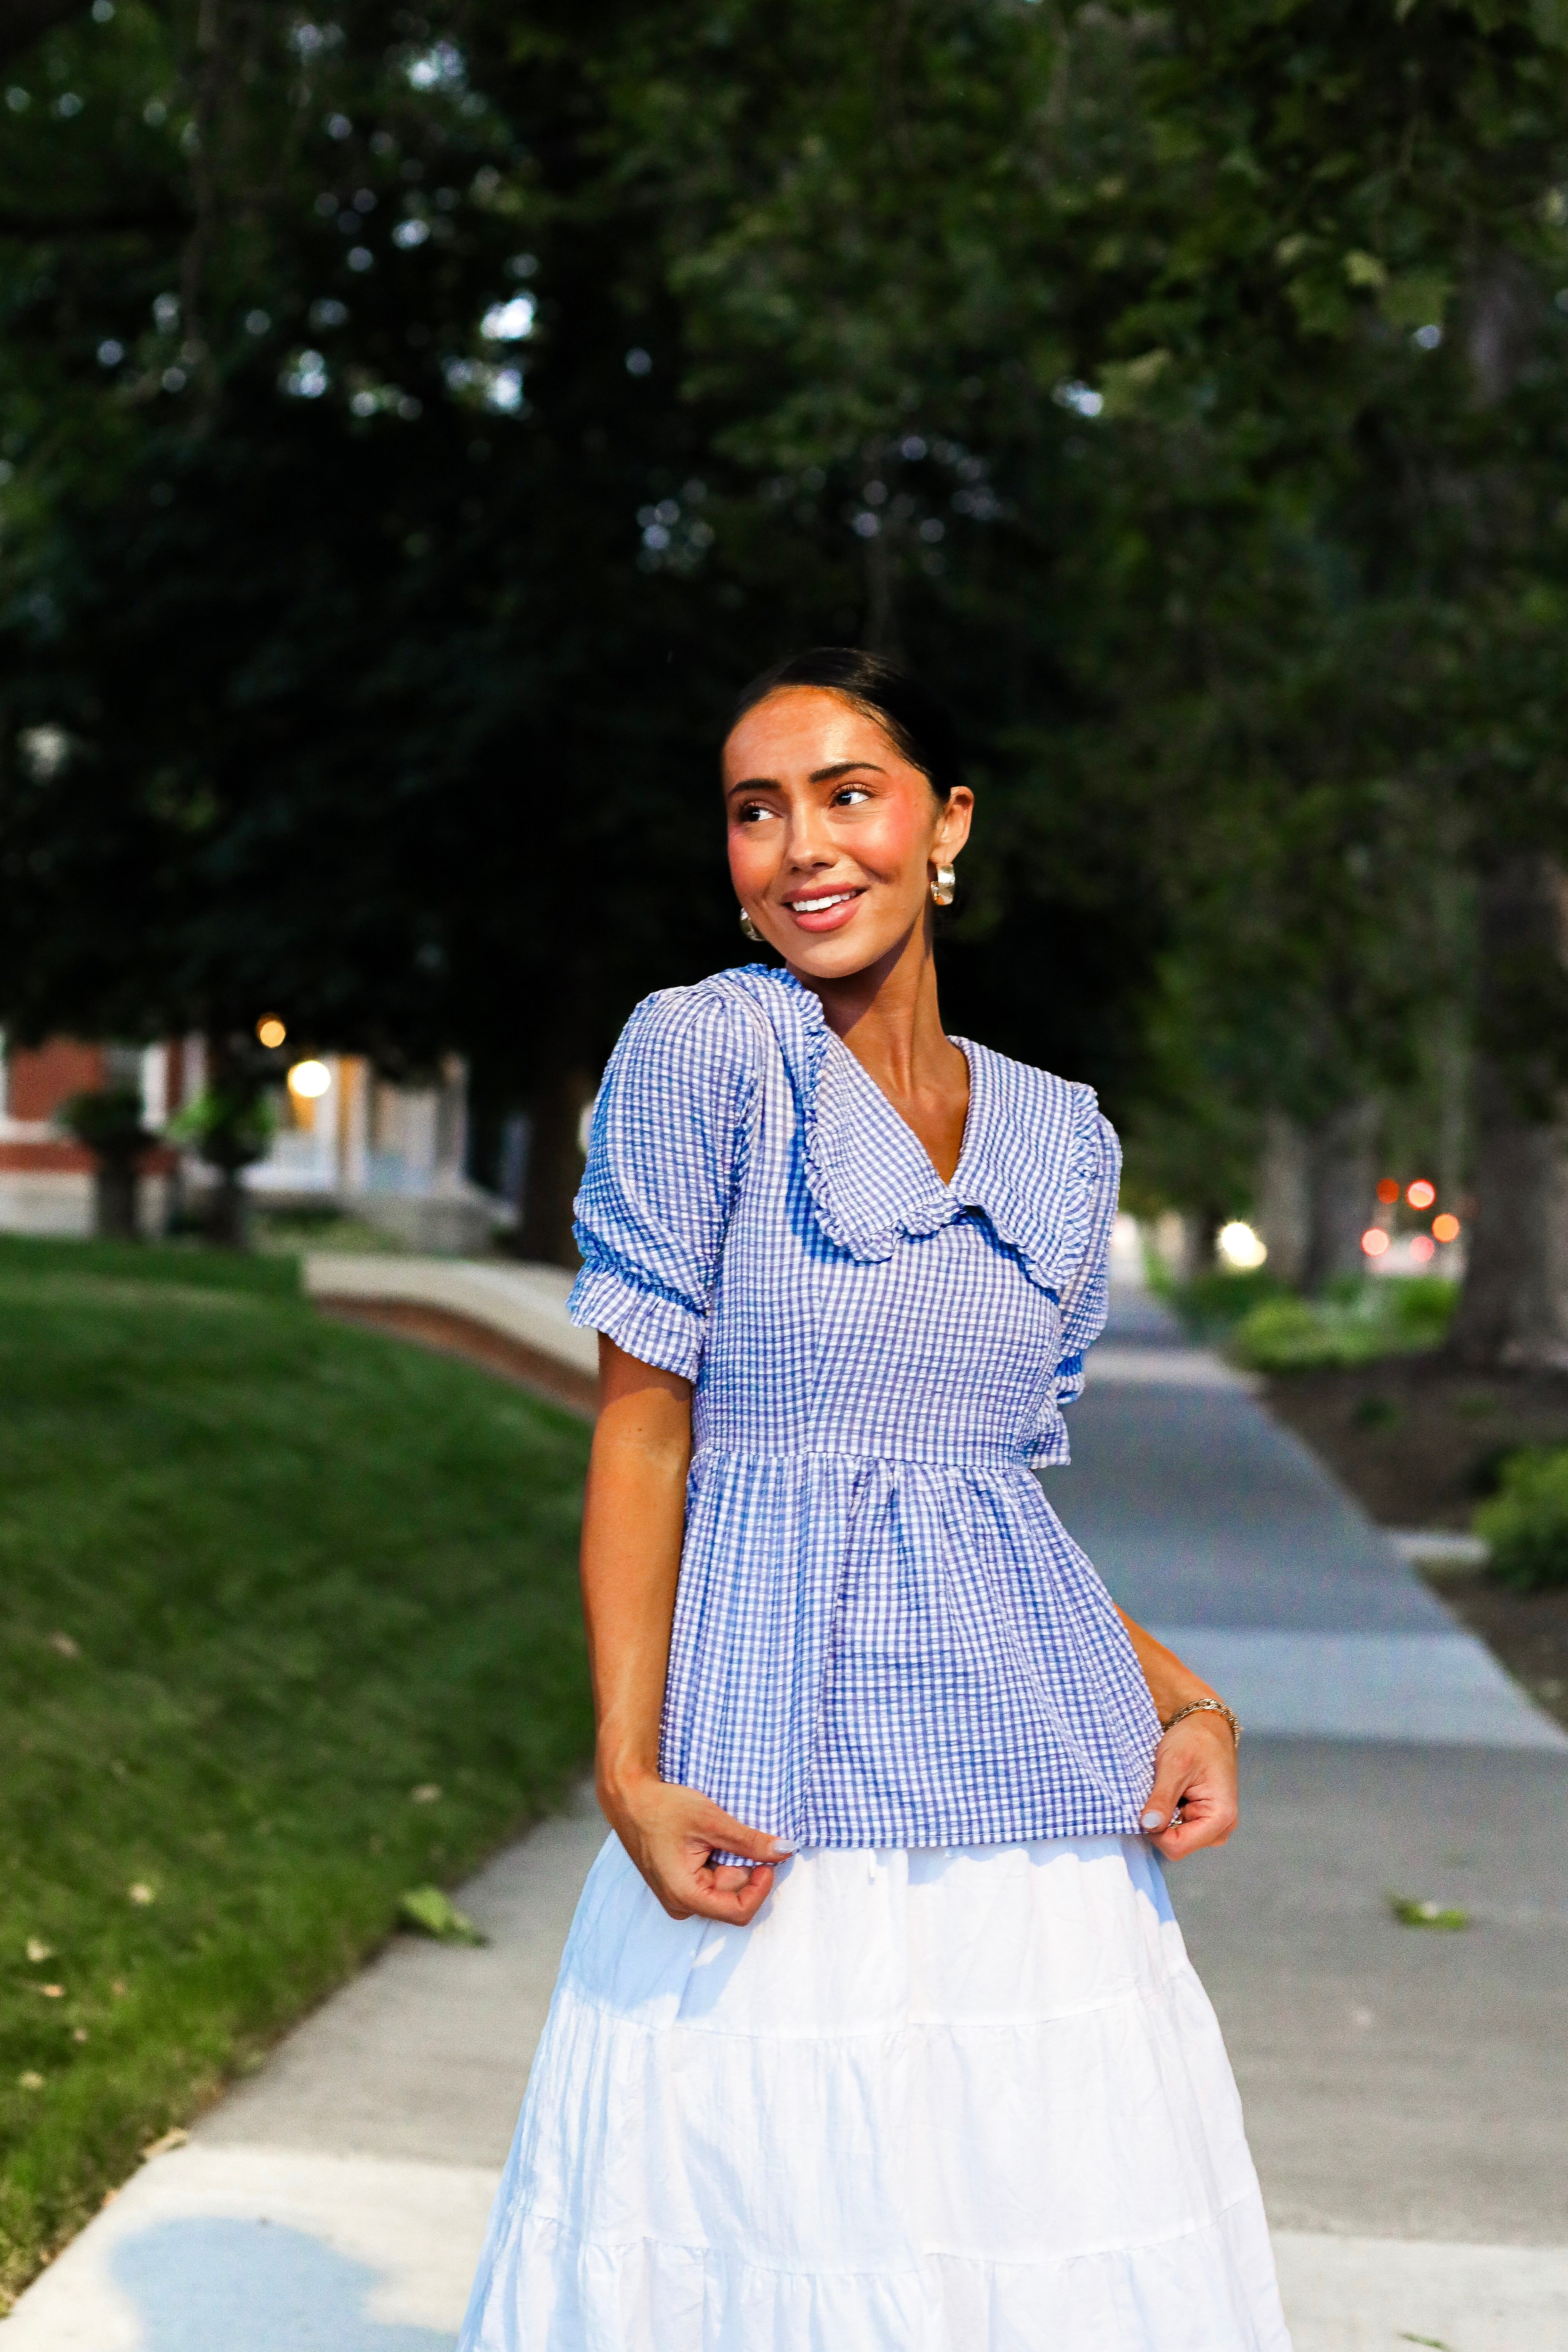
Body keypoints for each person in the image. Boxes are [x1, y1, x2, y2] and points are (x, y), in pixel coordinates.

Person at [459, 647, 1292, 2350]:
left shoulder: (1064, 1140)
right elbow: (642, 1436)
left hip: (1030, 1804)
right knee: (765, 2228)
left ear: (944, 824)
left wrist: (1182, 1693)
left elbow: (978, 1510)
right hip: (771, 1764)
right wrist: (627, 1764)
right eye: (755, 809)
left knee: (1024, 2241)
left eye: (847, 791)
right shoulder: (705, 1055)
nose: (799, 844)